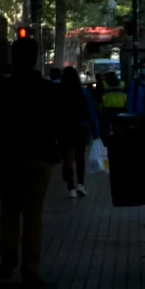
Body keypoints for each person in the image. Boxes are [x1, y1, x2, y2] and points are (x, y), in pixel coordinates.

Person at [0, 38, 74, 284]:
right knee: (33, 216)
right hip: (41, 160)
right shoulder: (48, 90)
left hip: (10, 158)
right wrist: (68, 161)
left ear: (14, 57)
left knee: (9, 210)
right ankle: (30, 269)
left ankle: (8, 254)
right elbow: (63, 127)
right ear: (36, 58)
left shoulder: (2, 88)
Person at [58, 64, 100, 199]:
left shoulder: (59, 92)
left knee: (67, 158)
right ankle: (81, 184)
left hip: (64, 129)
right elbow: (91, 112)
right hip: (81, 128)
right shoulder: (83, 92)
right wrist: (96, 132)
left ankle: (70, 187)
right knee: (80, 157)